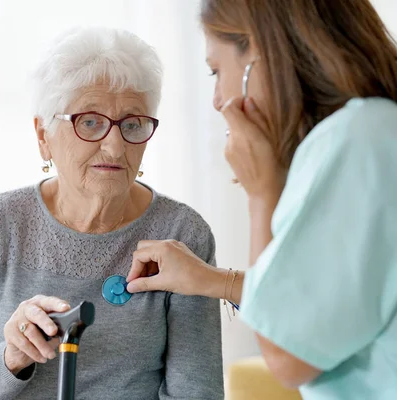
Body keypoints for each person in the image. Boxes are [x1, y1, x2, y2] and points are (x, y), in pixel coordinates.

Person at [0, 27, 224, 399]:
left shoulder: (182, 235)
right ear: (44, 136)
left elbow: (197, 394)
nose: (114, 146)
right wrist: (10, 359)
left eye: (132, 124)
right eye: (89, 121)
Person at [125, 1, 397, 399]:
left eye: (216, 71)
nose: (218, 99)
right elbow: (332, 298)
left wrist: (262, 195)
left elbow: (288, 355)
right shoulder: (375, 128)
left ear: (259, 52)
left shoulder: (355, 140)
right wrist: (214, 281)